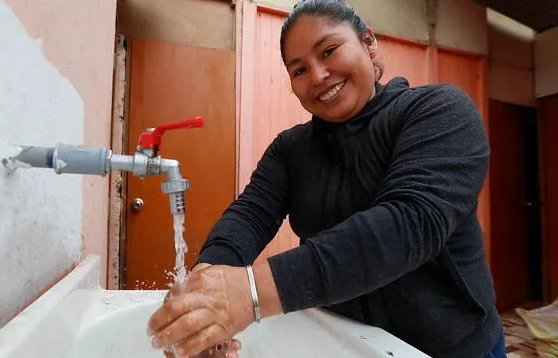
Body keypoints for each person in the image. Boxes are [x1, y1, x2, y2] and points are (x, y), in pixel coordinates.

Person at [147, 0, 506, 357]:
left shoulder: (439, 112)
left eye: (329, 51)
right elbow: (250, 215)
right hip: (343, 340)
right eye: (299, 69)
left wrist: (252, 293)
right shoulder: (291, 149)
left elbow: (408, 223)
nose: (318, 76)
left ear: (368, 42)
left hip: (452, 347)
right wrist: (206, 292)